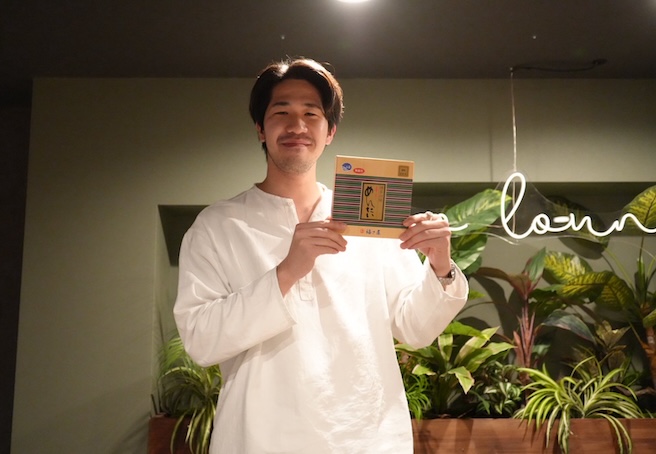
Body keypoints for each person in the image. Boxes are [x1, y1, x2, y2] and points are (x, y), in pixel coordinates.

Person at [173, 57, 468, 454]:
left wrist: (440, 266)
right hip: (259, 439)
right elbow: (201, 340)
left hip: (366, 438)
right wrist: (286, 273)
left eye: (311, 114)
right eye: (281, 113)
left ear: (329, 132)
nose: (297, 126)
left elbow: (415, 328)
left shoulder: (367, 220)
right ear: (260, 128)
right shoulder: (218, 226)